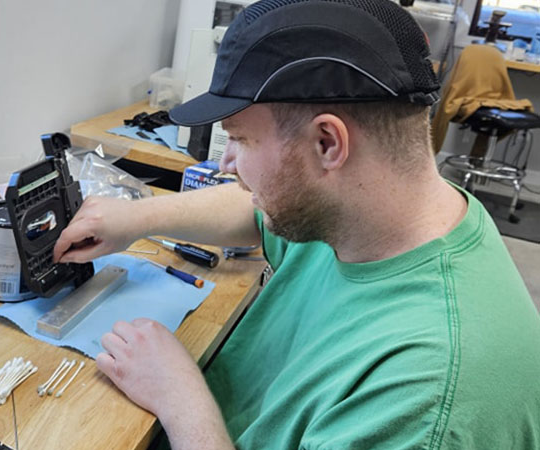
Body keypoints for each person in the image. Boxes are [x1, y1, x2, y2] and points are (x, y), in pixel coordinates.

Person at [53, 0, 540, 448]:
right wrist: (136, 218)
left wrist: (180, 397)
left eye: (240, 140)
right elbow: (257, 209)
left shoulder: (424, 400)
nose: (228, 165)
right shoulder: (381, 208)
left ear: (327, 143)